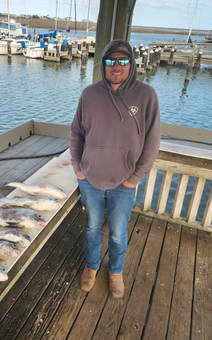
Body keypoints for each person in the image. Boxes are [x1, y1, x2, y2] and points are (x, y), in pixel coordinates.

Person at [69, 39, 161, 298]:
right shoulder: (88, 94)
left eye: (123, 61)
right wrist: (78, 168)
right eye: (111, 61)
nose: (116, 67)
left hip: (124, 183)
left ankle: (115, 271)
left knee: (119, 233)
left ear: (132, 64)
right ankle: (92, 267)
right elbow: (76, 133)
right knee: (91, 227)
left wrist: (135, 177)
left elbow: (152, 141)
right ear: (103, 64)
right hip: (89, 179)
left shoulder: (147, 96)